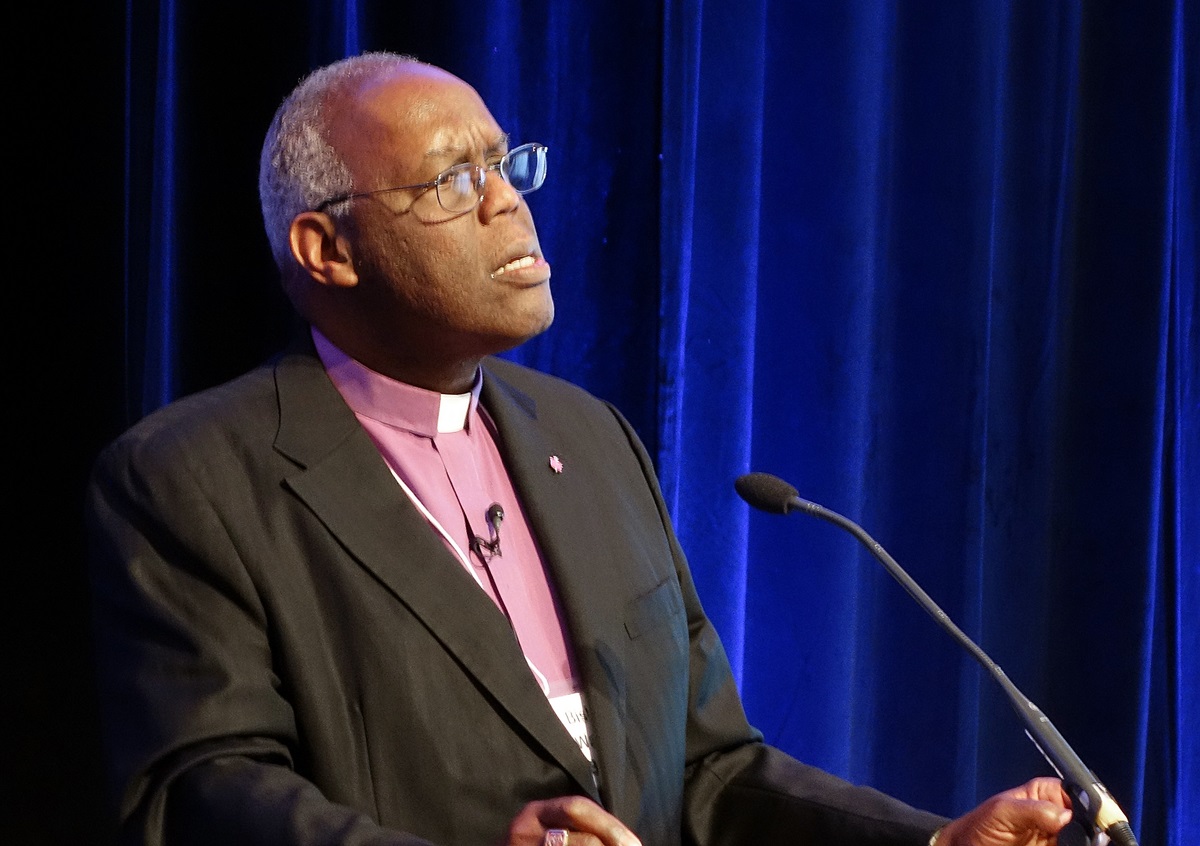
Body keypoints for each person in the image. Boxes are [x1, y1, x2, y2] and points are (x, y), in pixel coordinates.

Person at [86, 51, 1074, 846]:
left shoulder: (592, 440)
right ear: (326, 250)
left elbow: (709, 773)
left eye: (508, 166)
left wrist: (934, 844)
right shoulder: (192, 478)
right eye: (452, 181)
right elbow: (203, 792)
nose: (508, 203)